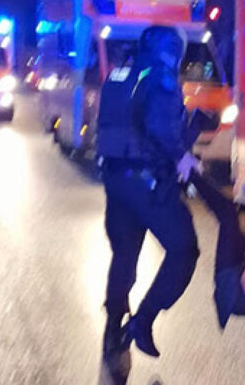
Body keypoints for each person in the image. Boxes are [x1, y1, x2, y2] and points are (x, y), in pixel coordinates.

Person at [96, 25, 200, 360]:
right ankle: (143, 320)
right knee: (184, 249)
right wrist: (182, 156)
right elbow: (158, 126)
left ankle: (113, 330)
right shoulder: (161, 78)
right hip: (148, 182)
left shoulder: (120, 75)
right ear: (172, 50)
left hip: (116, 180)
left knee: (124, 255)